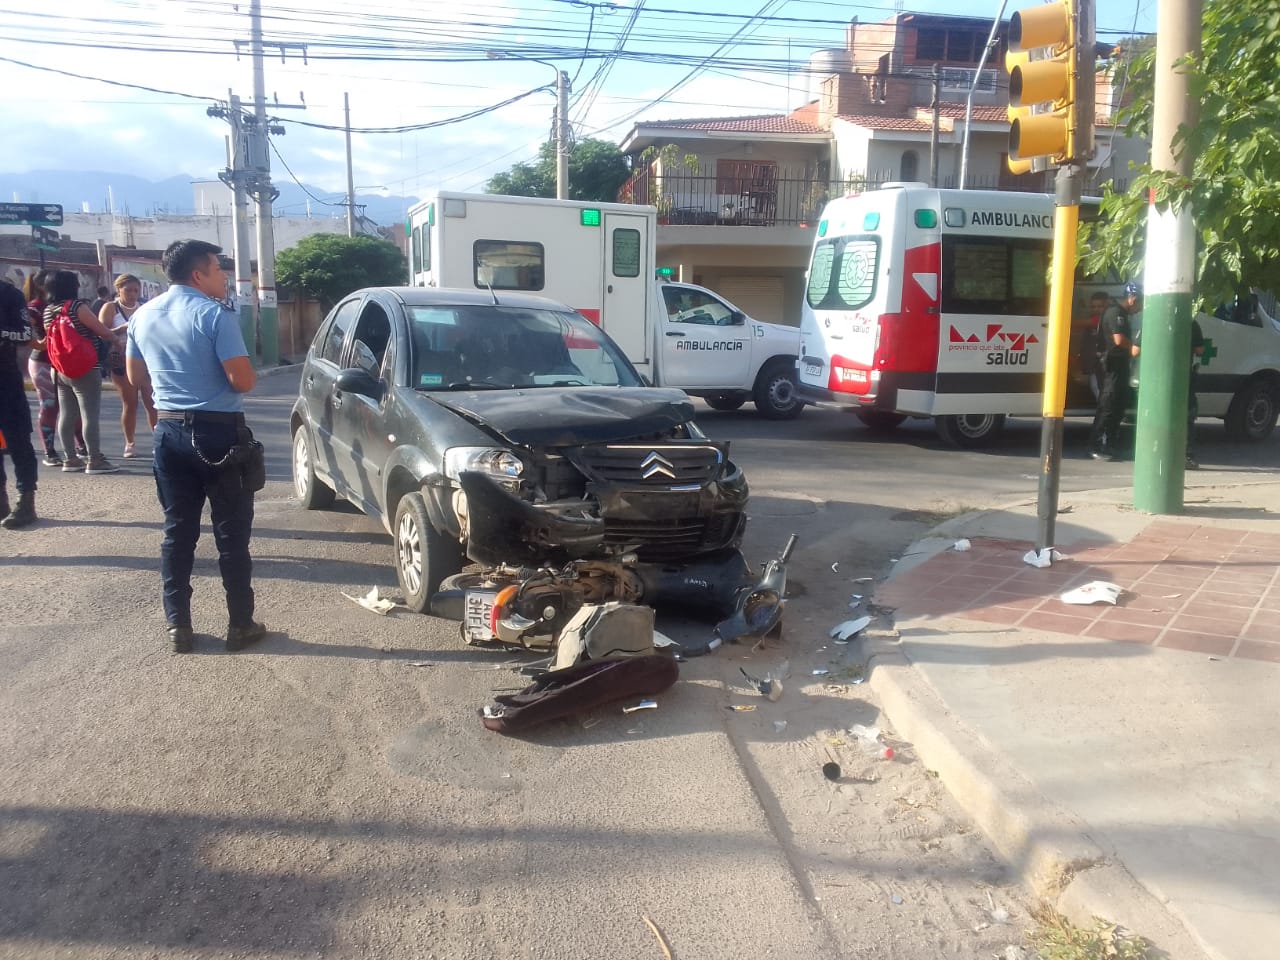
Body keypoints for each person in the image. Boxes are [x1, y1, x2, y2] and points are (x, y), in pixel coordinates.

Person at [126, 239, 265, 654]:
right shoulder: (213, 315)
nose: (224, 276)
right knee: (231, 533)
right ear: (197, 275)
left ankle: (178, 626)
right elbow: (242, 381)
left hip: (167, 432)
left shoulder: (142, 315)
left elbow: (136, 379)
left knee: (177, 531)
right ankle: (240, 624)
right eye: (218, 269)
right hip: (219, 433)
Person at [43, 271, 119, 474]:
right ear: (73, 286)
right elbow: (100, 330)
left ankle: (70, 459)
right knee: (89, 415)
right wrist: (115, 338)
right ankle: (94, 459)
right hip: (85, 368)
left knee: (67, 414)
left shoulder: (49, 310)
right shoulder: (78, 306)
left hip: (59, 369)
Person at [24, 271, 85, 465]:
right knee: (50, 405)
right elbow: (25, 331)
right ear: (43, 285)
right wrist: (41, 343)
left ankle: (82, 446)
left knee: (73, 405)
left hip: (65, 361)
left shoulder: (64, 304)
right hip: (43, 361)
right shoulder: (35, 307)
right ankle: (49, 451)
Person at [101, 273, 156, 458]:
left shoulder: (144, 308)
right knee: (130, 402)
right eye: (128, 290)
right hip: (120, 359)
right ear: (119, 289)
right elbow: (101, 332)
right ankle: (130, 442)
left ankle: (158, 440)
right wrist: (120, 329)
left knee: (152, 401)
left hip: (144, 359)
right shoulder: (111, 308)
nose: (132, 294)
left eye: (135, 290)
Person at [0, 278, 38, 528]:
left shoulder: (9, 294)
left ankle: (26, 501)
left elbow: (25, 334)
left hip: (5, 379)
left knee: (18, 440)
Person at [1089, 282, 1141, 461]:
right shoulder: (1115, 313)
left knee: (1118, 406)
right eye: (1140, 304)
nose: (1140, 308)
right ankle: (1097, 445)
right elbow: (1118, 339)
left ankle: (1110, 444)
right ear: (1133, 299)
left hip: (1119, 366)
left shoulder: (1122, 313)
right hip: (1111, 367)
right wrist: (1133, 348)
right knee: (1108, 406)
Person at [1185, 318, 1205, 470]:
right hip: (1185, 377)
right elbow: (1199, 350)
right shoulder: (1191, 323)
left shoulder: (1154, 317)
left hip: (1158, 377)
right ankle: (1186, 455)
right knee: (1187, 415)